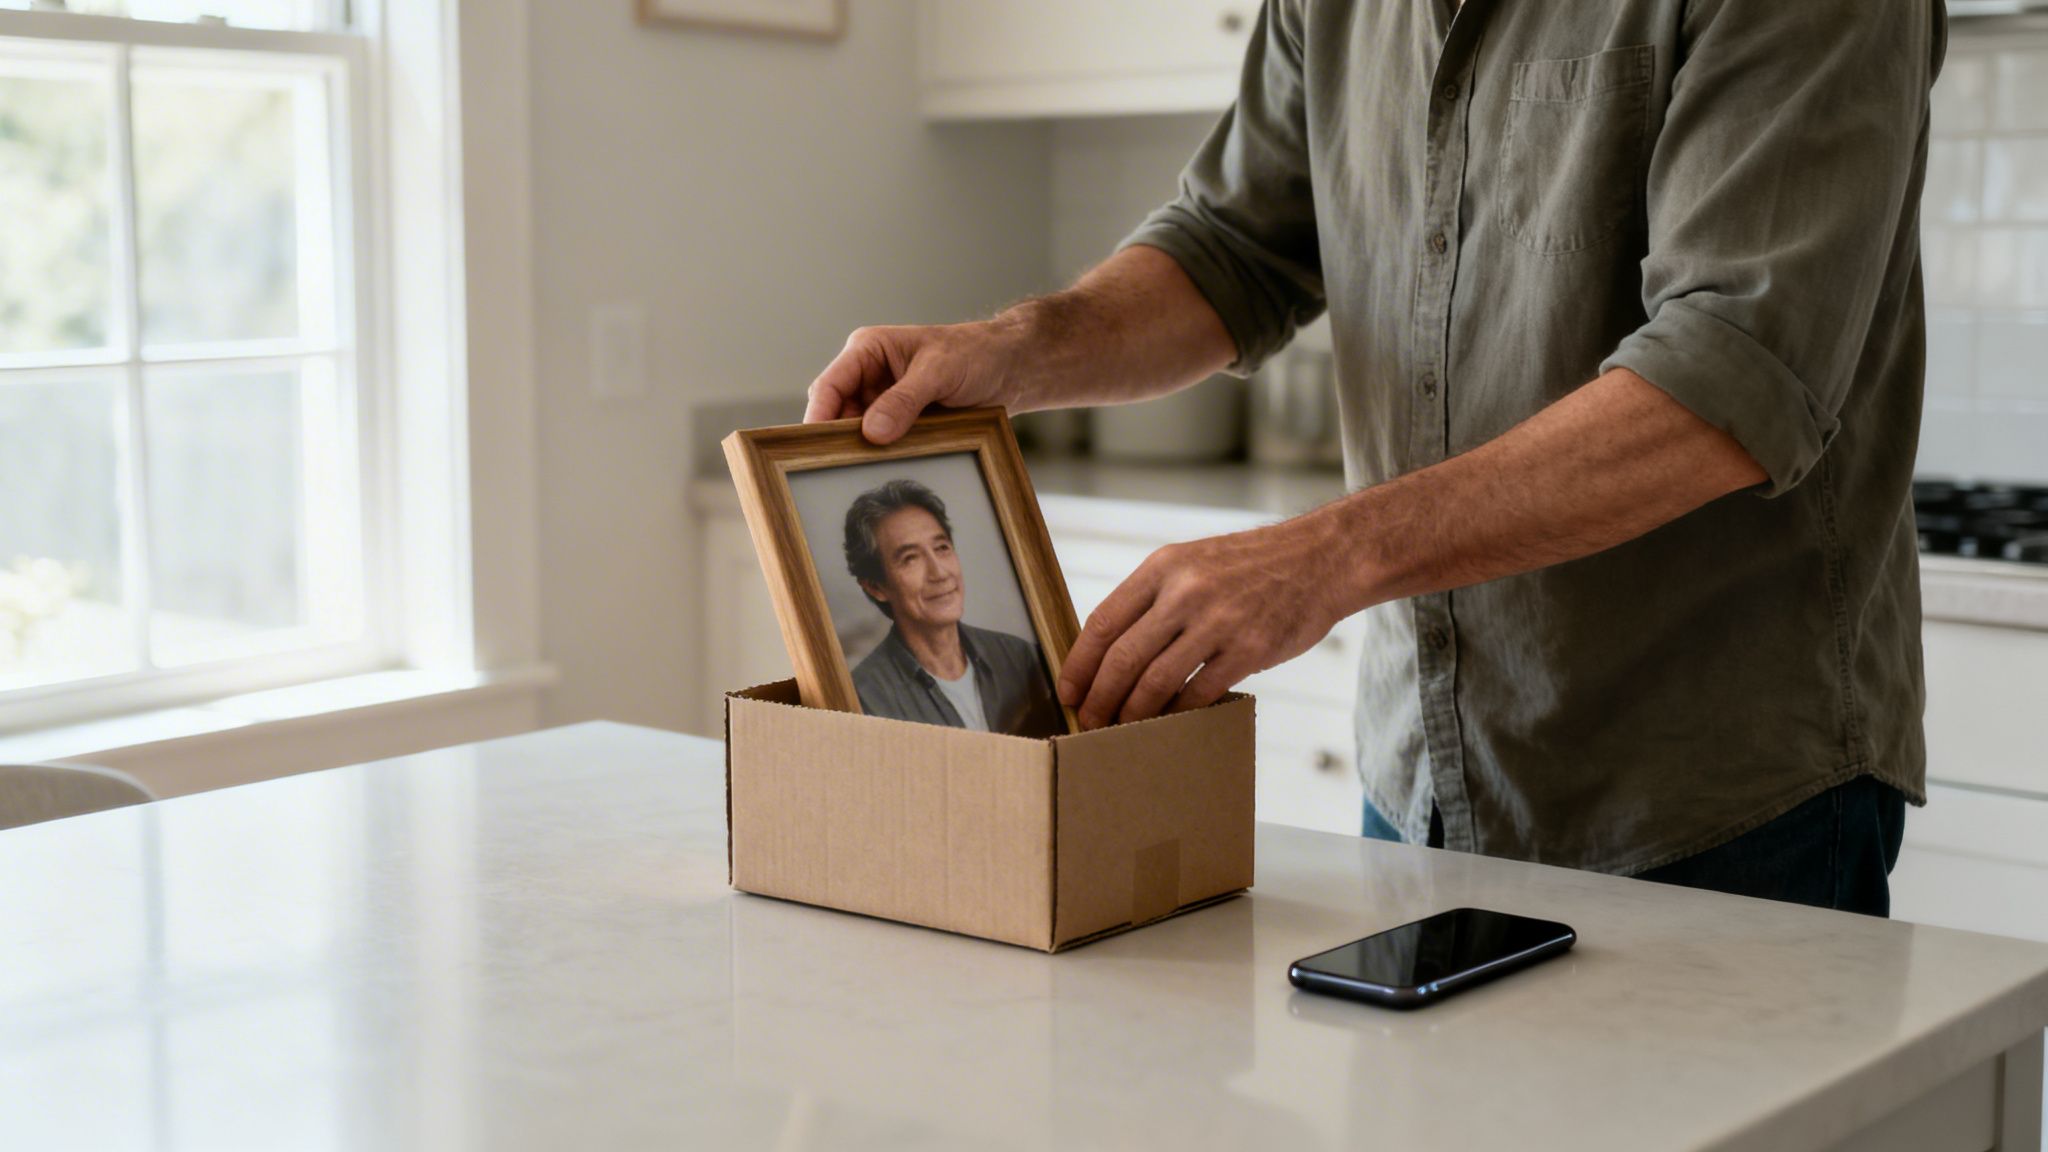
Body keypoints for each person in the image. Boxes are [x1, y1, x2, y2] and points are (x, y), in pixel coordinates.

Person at [806, 0, 1942, 916]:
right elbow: (1231, 248)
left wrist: (1324, 555)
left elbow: (1728, 373)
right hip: (1423, 780)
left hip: (1717, 803)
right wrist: (1007, 353)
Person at [841, 479, 1064, 738]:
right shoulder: (864, 698)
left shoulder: (1021, 658)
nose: (940, 573)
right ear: (876, 587)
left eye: (942, 548)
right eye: (910, 558)